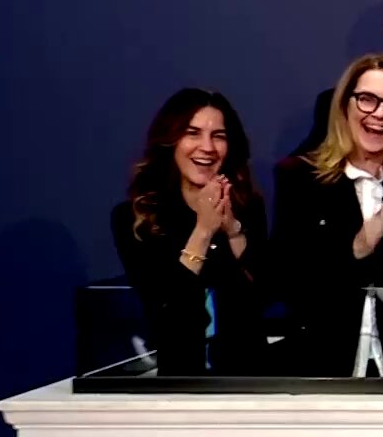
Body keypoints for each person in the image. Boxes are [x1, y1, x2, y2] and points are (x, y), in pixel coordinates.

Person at [272, 54, 383, 376]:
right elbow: (292, 283)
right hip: (321, 364)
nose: (379, 114)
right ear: (344, 107)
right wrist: (362, 245)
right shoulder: (301, 180)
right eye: (367, 100)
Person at [109, 89, 268, 374]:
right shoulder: (136, 218)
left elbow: (262, 296)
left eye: (218, 136)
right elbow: (169, 311)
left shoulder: (247, 207)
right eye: (192, 133)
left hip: (249, 377)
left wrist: (233, 231)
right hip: (179, 376)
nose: (207, 147)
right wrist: (203, 231)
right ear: (170, 141)